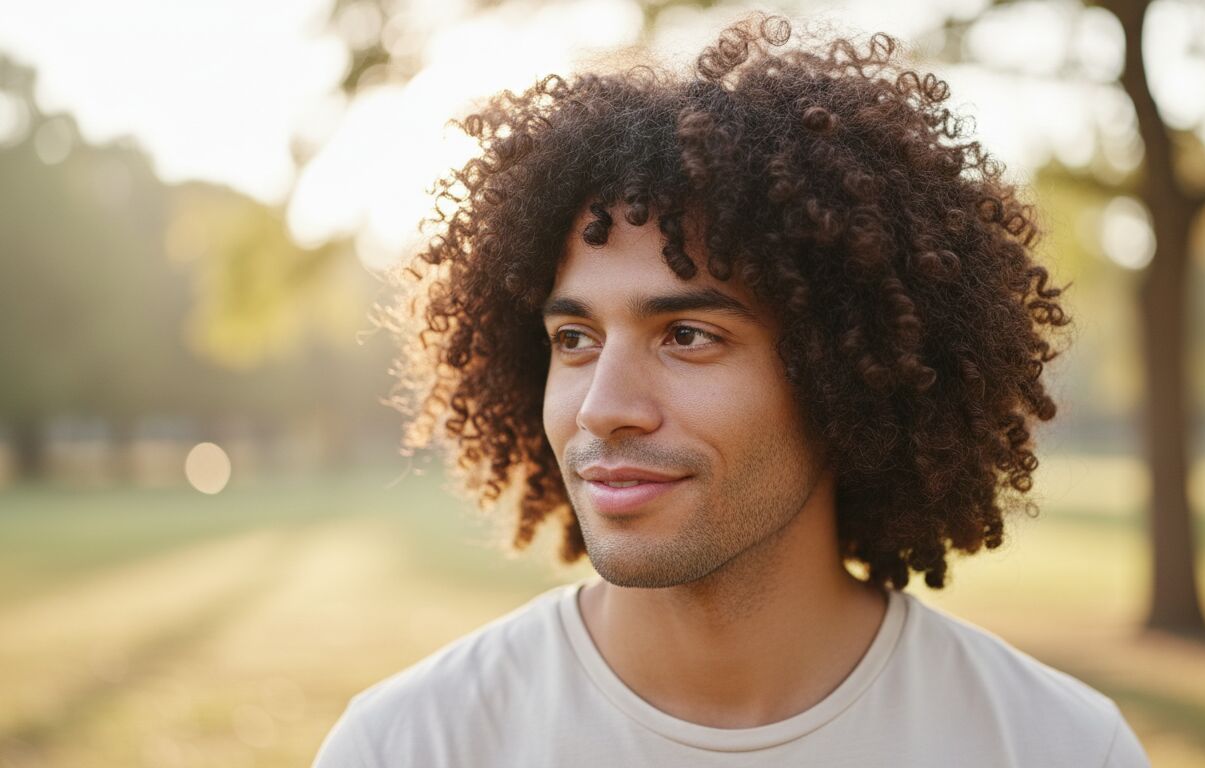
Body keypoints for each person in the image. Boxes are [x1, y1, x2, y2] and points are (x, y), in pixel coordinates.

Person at [313, 13, 1149, 767]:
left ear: (846, 376)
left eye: (687, 336)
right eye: (574, 340)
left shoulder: (1057, 747)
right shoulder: (409, 746)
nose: (602, 406)